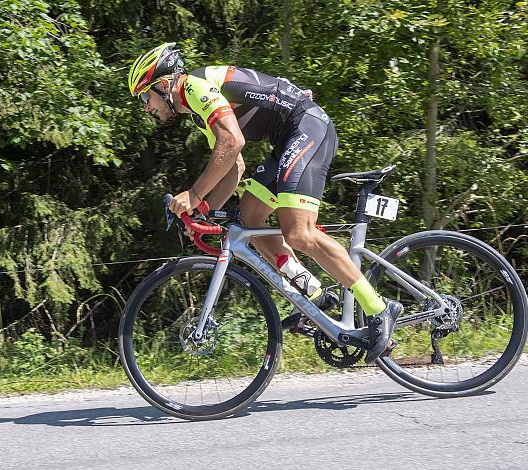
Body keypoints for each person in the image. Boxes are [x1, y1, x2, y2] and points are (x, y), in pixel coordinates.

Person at [128, 42, 401, 363]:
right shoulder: (199, 114)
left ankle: (379, 308)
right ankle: (313, 295)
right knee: (249, 219)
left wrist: (196, 195)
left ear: (163, 83)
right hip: (287, 139)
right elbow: (234, 166)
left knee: (300, 233)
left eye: (146, 97)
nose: (147, 107)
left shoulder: (194, 86)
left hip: (307, 126)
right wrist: (201, 213)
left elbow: (232, 141)